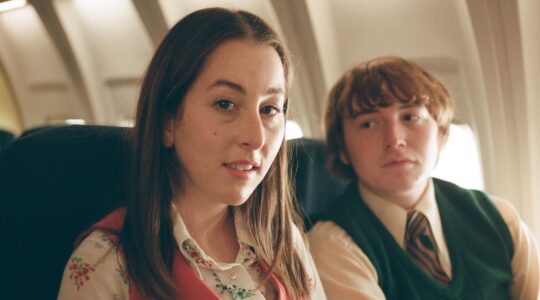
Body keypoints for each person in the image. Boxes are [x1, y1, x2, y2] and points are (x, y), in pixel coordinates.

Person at [58, 7, 325, 300]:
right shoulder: (106, 264)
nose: (256, 137)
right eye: (225, 104)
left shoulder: (284, 241)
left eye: (269, 109)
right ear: (167, 122)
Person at [308, 56, 540, 299]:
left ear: (441, 133)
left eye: (410, 117)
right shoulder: (333, 243)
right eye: (368, 124)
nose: (394, 139)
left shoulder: (499, 219)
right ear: (342, 148)